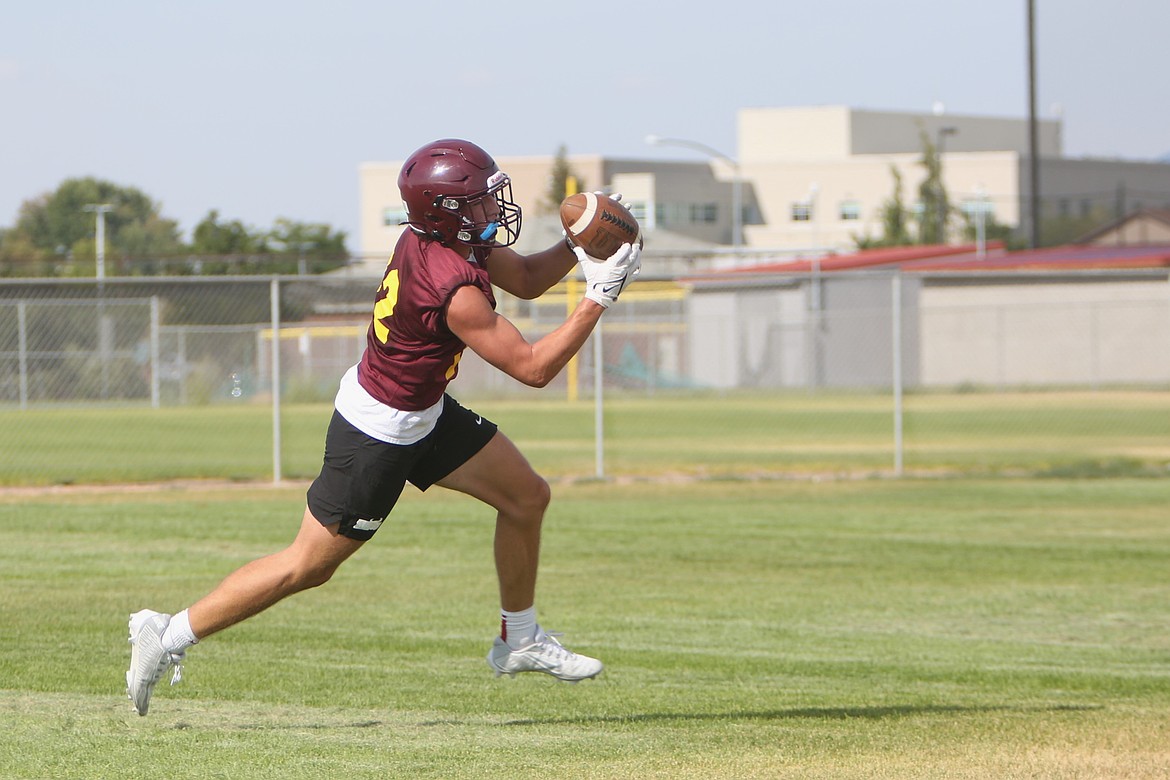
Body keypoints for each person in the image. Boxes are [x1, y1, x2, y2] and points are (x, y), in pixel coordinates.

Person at [126, 138, 641, 716]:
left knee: (526, 497)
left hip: (422, 411)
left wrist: (583, 240)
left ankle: (518, 639)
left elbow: (522, 277)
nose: (492, 210)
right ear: (445, 211)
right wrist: (600, 294)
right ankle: (166, 634)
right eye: (476, 201)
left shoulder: (438, 235)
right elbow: (533, 368)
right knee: (308, 566)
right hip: (380, 433)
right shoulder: (455, 285)